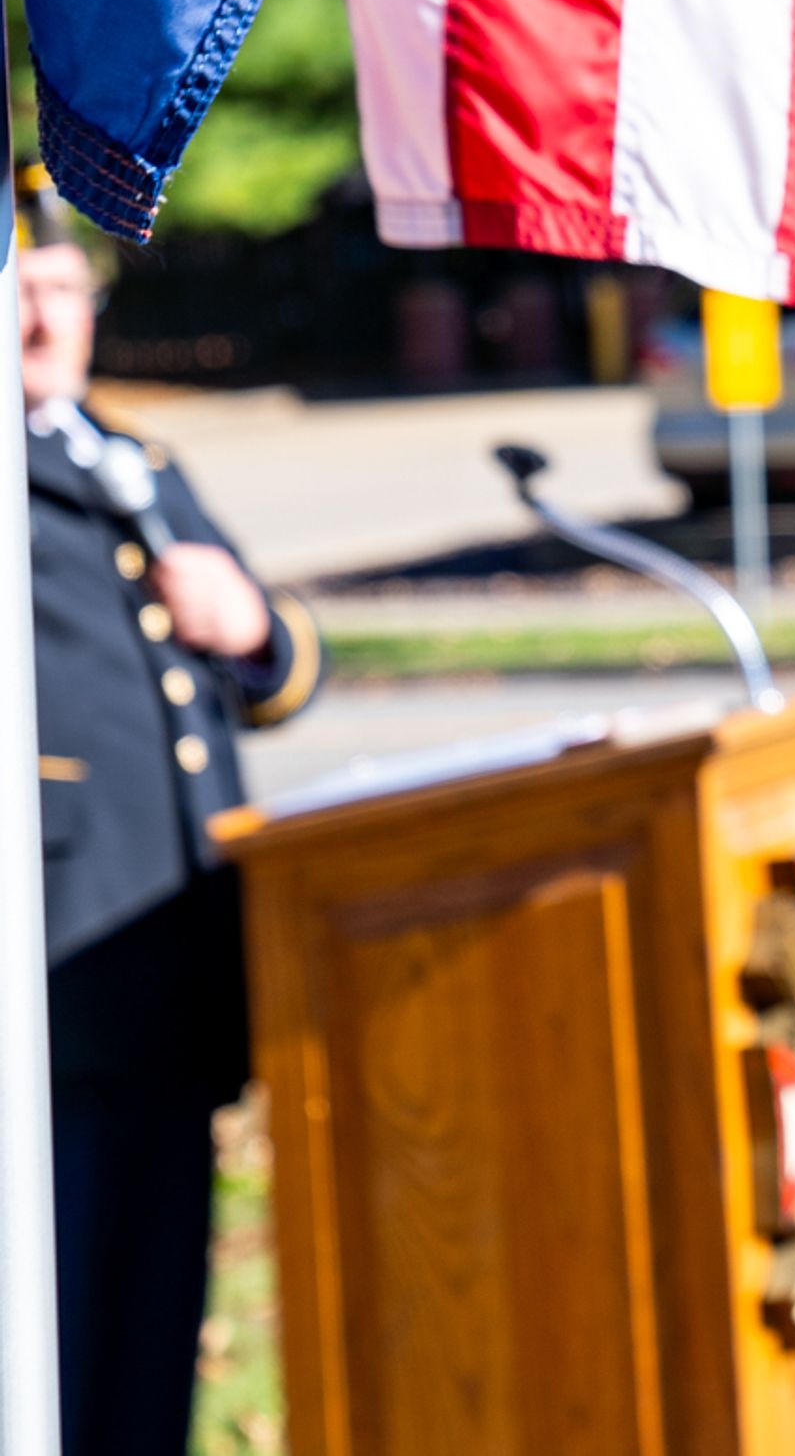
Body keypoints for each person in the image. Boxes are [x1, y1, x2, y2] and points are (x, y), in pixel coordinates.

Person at [22, 169, 324, 1456]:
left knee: (154, 1316)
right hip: (53, 966)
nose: (45, 322)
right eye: (16, 294)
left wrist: (253, 629)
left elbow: (283, 674)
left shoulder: (138, 460)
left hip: (179, 956)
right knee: (56, 1328)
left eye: (63, 289)